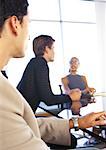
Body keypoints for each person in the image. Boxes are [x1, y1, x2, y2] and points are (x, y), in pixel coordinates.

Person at [0, 0, 106, 150]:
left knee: (71, 140)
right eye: (28, 23)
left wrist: (77, 122)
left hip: (34, 121)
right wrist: (71, 98)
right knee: (74, 142)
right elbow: (48, 98)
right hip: (34, 122)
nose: (28, 36)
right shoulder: (39, 64)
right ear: (15, 23)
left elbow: (24, 122)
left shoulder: (24, 68)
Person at [17, 35, 81, 113]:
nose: (54, 52)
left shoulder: (35, 63)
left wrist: (69, 95)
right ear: (47, 49)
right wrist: (70, 97)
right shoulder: (41, 64)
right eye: (53, 48)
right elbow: (48, 99)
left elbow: (44, 96)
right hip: (19, 117)